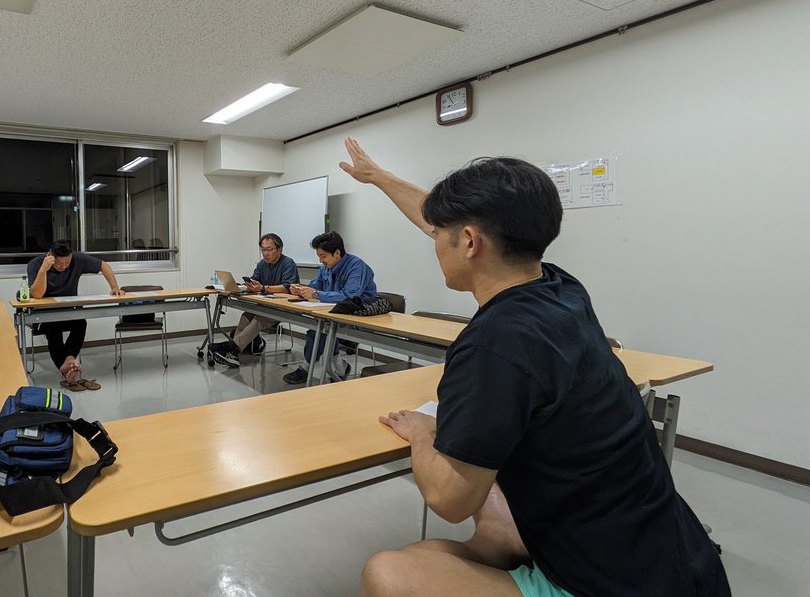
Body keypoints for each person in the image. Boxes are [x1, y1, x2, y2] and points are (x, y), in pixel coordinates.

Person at [339, 137, 728, 597]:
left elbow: (448, 500)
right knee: (492, 497)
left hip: (612, 587)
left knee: (387, 574)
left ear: (469, 242)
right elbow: (444, 221)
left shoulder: (493, 343)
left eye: (440, 234)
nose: (433, 240)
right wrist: (379, 177)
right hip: (674, 557)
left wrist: (424, 433)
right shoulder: (560, 287)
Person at [26, 240, 126, 391]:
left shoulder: (77, 259)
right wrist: (43, 270)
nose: (64, 266)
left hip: (69, 310)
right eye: (59, 263)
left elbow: (103, 265)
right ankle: (66, 367)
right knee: (53, 329)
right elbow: (38, 295)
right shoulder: (35, 264)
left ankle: (69, 360)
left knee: (80, 323)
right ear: (49, 256)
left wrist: (114, 287)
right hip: (44, 312)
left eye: (67, 262)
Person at [281, 231, 377, 384]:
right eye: (319, 256)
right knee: (320, 327)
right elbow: (315, 285)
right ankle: (339, 367)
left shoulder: (357, 266)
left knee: (320, 330)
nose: (321, 261)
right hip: (335, 316)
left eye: (323, 256)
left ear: (337, 253)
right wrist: (301, 289)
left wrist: (316, 294)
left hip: (359, 317)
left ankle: (306, 368)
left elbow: (350, 296)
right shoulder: (326, 268)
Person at [208, 233, 300, 367]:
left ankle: (231, 348)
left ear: (280, 249)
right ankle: (234, 352)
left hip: (283, 308)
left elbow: (287, 287)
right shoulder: (262, 264)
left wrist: (263, 288)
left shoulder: (288, 263)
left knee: (259, 319)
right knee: (246, 316)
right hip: (267, 305)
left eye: (269, 249)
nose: (265, 253)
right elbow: (254, 280)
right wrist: (245, 286)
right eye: (263, 250)